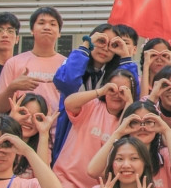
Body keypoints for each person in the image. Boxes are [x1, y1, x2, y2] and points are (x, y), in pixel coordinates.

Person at [47, 68, 136, 188]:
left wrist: (130, 103)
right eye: (113, 88)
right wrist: (100, 91)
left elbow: (124, 133)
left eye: (123, 90)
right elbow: (69, 102)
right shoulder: (92, 106)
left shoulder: (129, 121)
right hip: (67, 184)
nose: (116, 94)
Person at [52, 23, 139, 165]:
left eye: (112, 45)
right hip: (70, 136)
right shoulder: (75, 63)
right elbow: (66, 82)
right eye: (101, 41)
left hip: (102, 138)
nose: (105, 48)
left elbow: (132, 94)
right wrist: (86, 44)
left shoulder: (114, 76)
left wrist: (125, 56)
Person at [0, 6, 66, 116]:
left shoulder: (67, 65)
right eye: (41, 23)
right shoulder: (14, 63)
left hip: (57, 126)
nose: (47, 27)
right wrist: (12, 88)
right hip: (22, 125)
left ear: (59, 33)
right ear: (32, 30)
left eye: (52, 24)